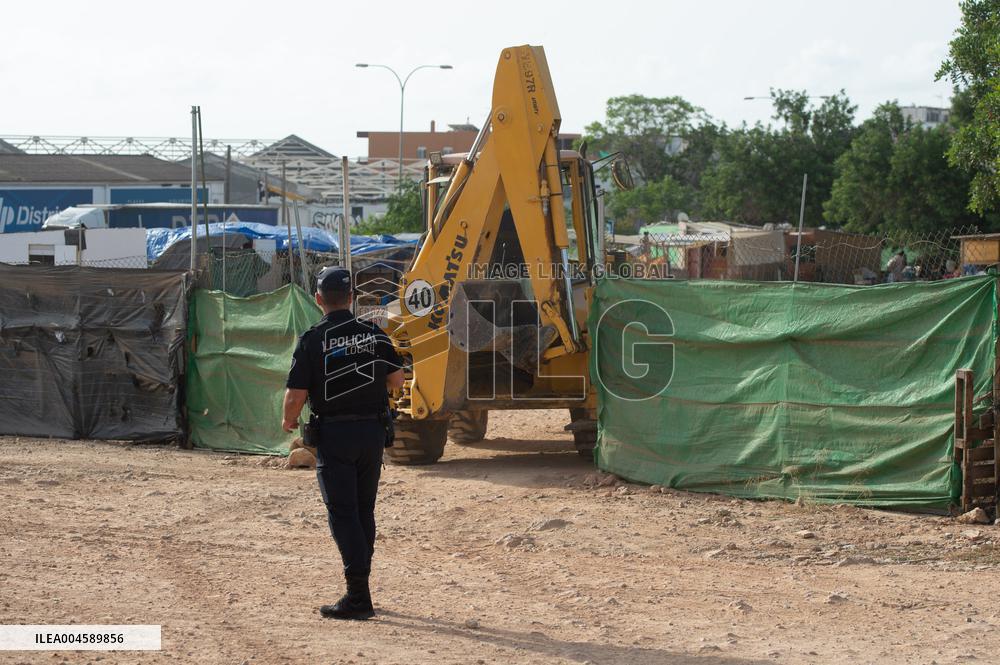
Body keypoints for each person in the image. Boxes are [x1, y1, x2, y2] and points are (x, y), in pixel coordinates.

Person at [282, 266, 405, 620]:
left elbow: (295, 397)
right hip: (372, 435)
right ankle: (361, 586)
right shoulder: (375, 334)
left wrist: (289, 421)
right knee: (364, 510)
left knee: (343, 513)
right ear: (351, 299)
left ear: (318, 299)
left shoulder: (311, 339)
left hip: (335, 436)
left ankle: (358, 597)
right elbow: (397, 381)